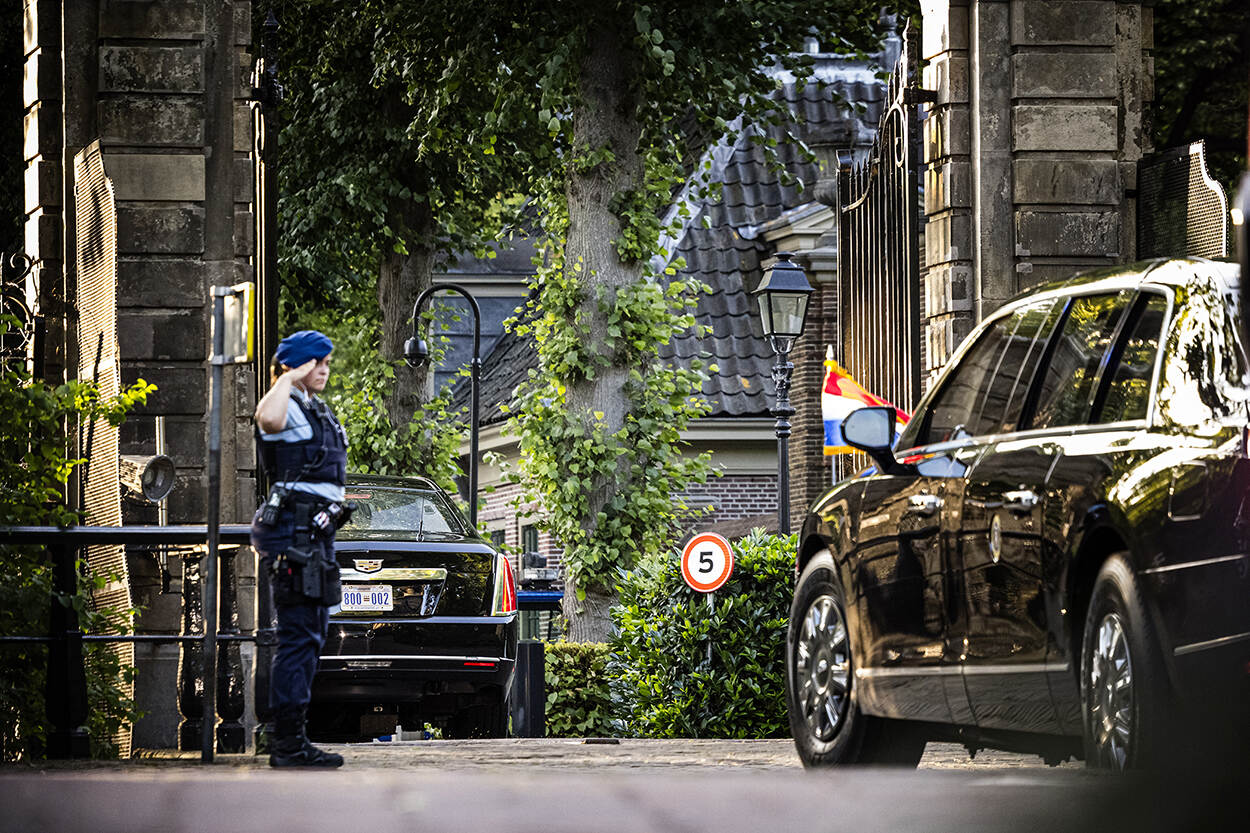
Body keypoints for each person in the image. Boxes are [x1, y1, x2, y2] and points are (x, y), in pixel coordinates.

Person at [251, 329, 352, 768]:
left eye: (326, 362)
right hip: (295, 536)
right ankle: (287, 746)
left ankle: (295, 741)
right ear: (295, 367)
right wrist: (288, 378)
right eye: (317, 363)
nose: (324, 369)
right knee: (298, 638)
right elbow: (265, 420)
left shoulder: (315, 409)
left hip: (315, 534)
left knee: (311, 636)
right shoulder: (285, 403)